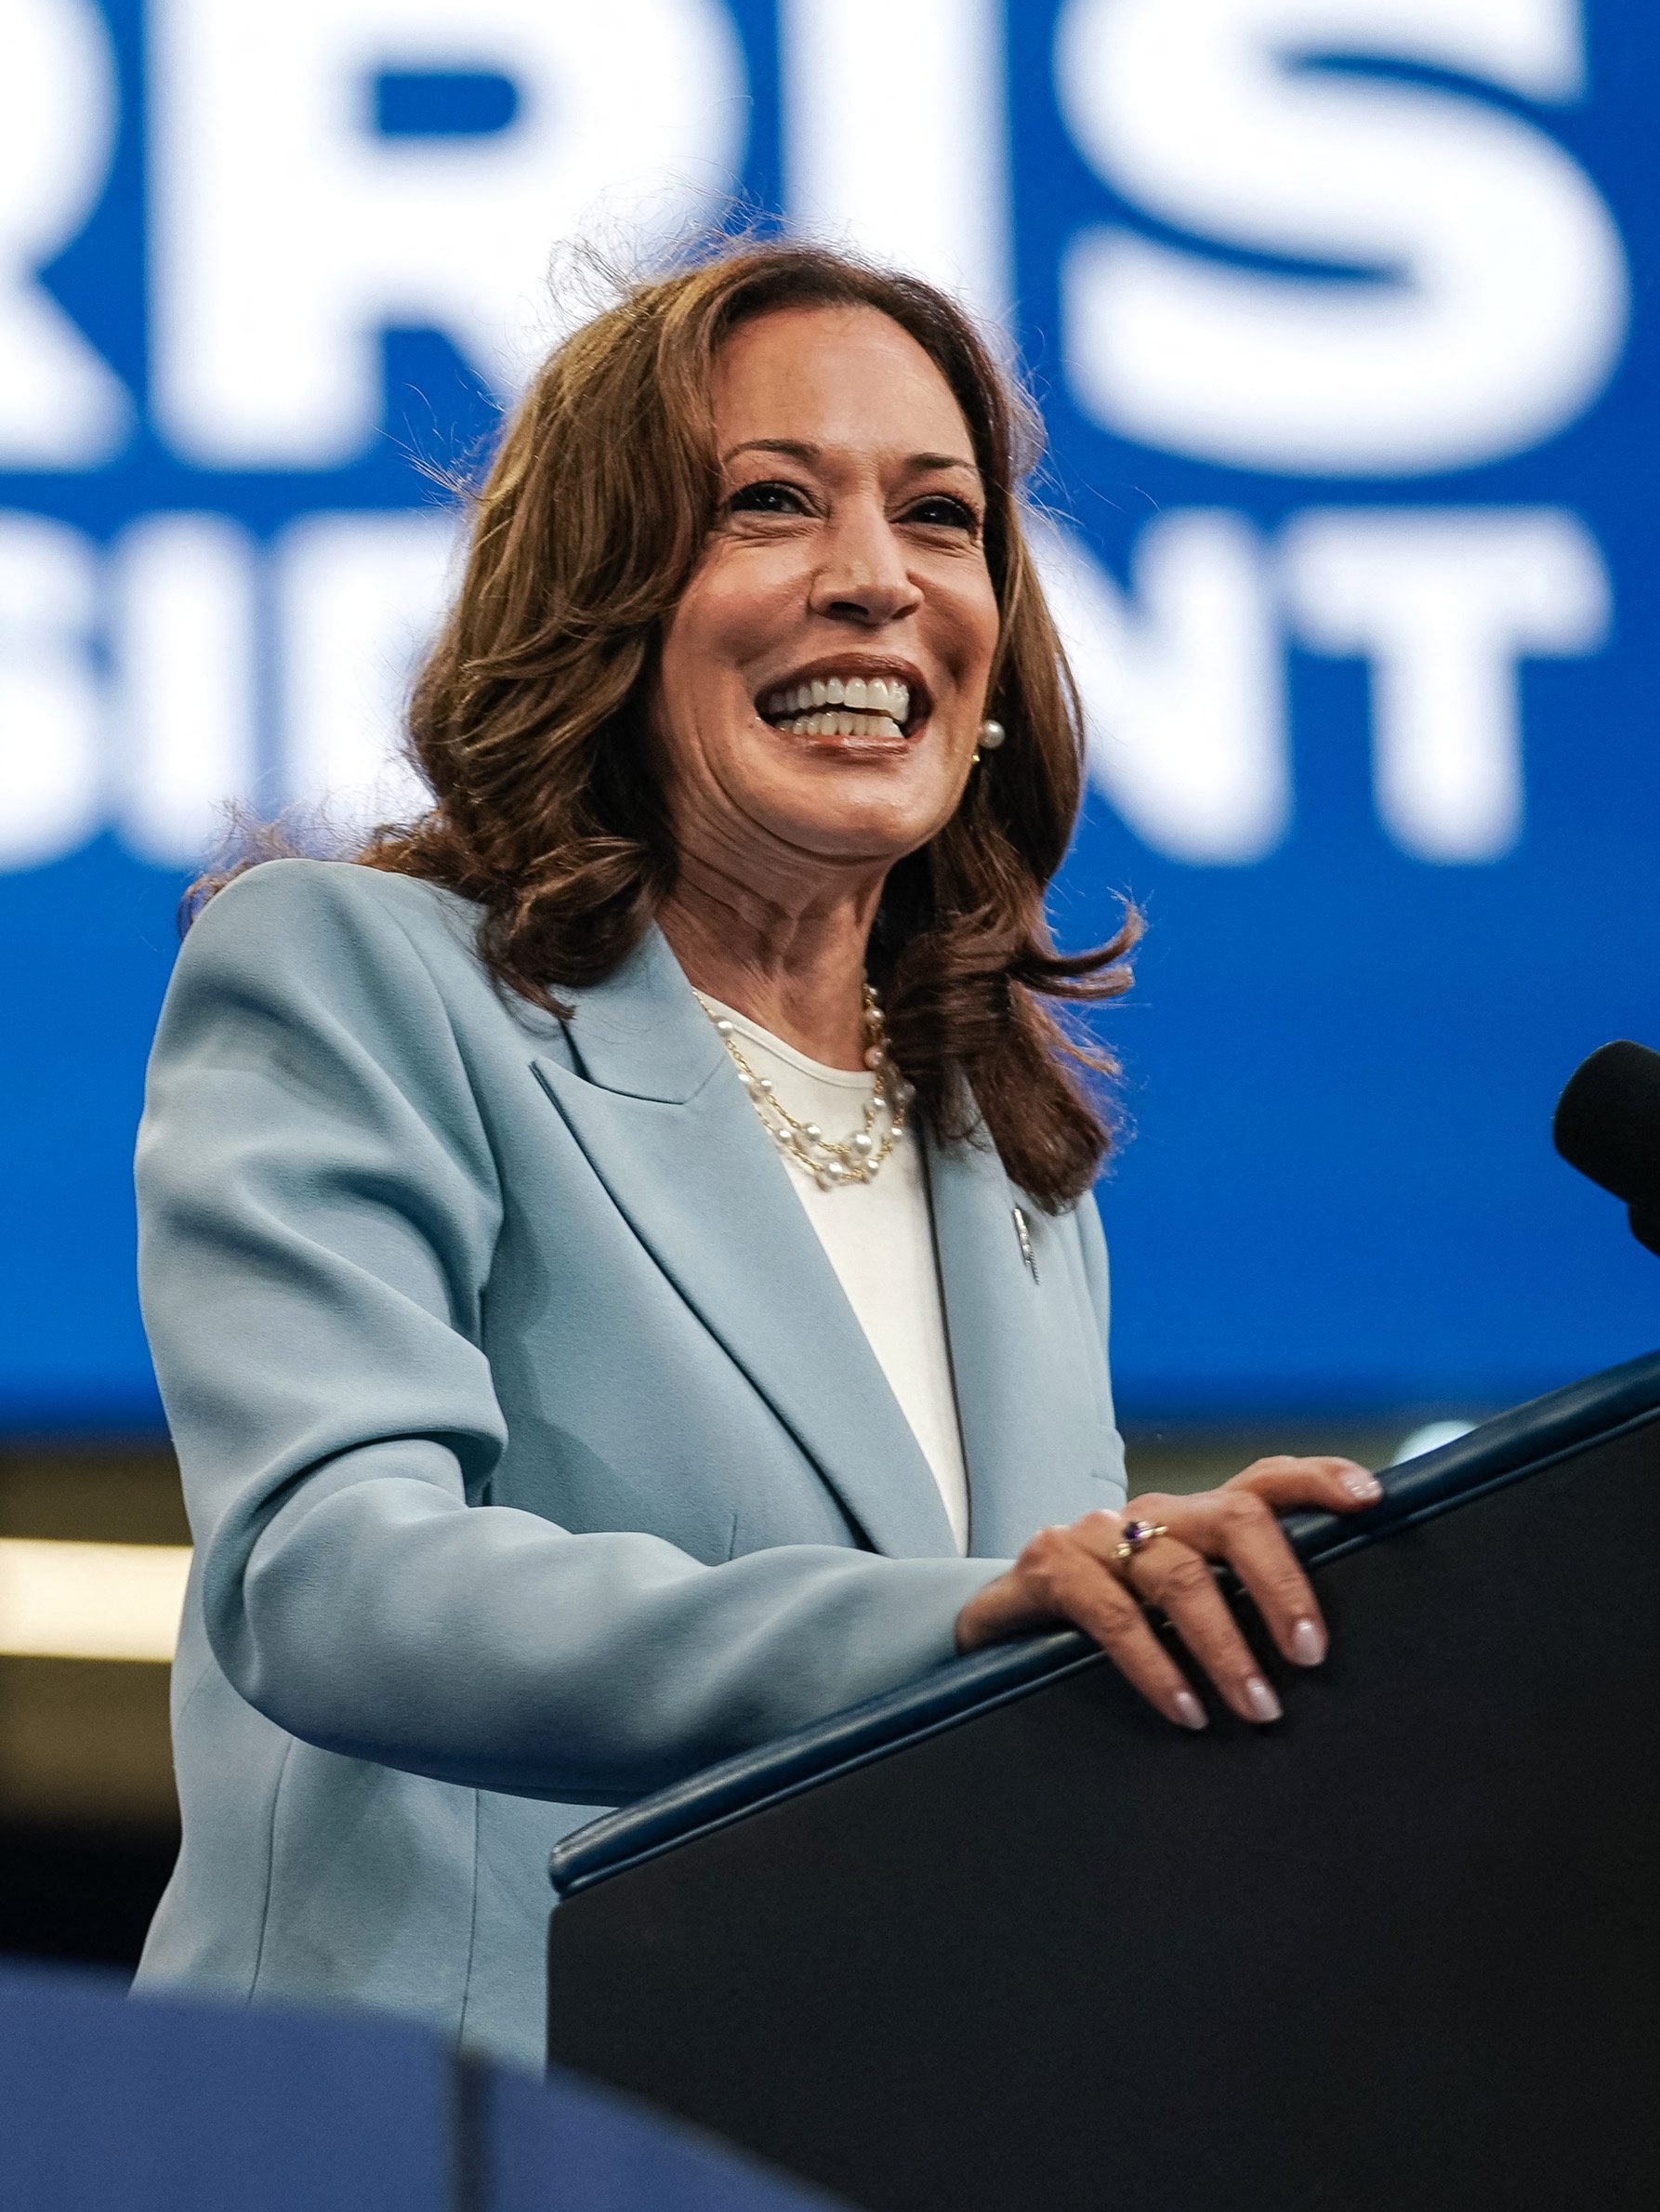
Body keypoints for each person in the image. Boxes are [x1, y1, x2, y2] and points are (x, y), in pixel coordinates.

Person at [132, 242, 1382, 2072]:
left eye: (938, 517)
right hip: (415, 2132)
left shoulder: (1011, 1163)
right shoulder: (358, 975)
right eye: (769, 503)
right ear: (602, 598)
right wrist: (966, 1615)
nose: (873, 579)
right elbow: (330, 1586)